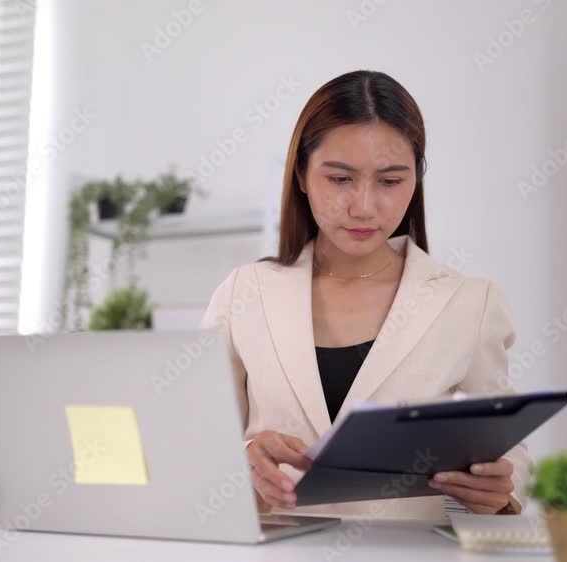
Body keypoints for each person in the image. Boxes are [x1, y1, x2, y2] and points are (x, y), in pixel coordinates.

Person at [201, 70, 530, 521]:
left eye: (390, 181)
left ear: (416, 180)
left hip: (408, 551)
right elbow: (195, 448)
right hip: (280, 546)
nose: (363, 206)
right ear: (301, 174)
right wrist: (245, 460)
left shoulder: (468, 303)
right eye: (340, 179)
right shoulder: (244, 294)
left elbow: (510, 452)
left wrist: (501, 492)